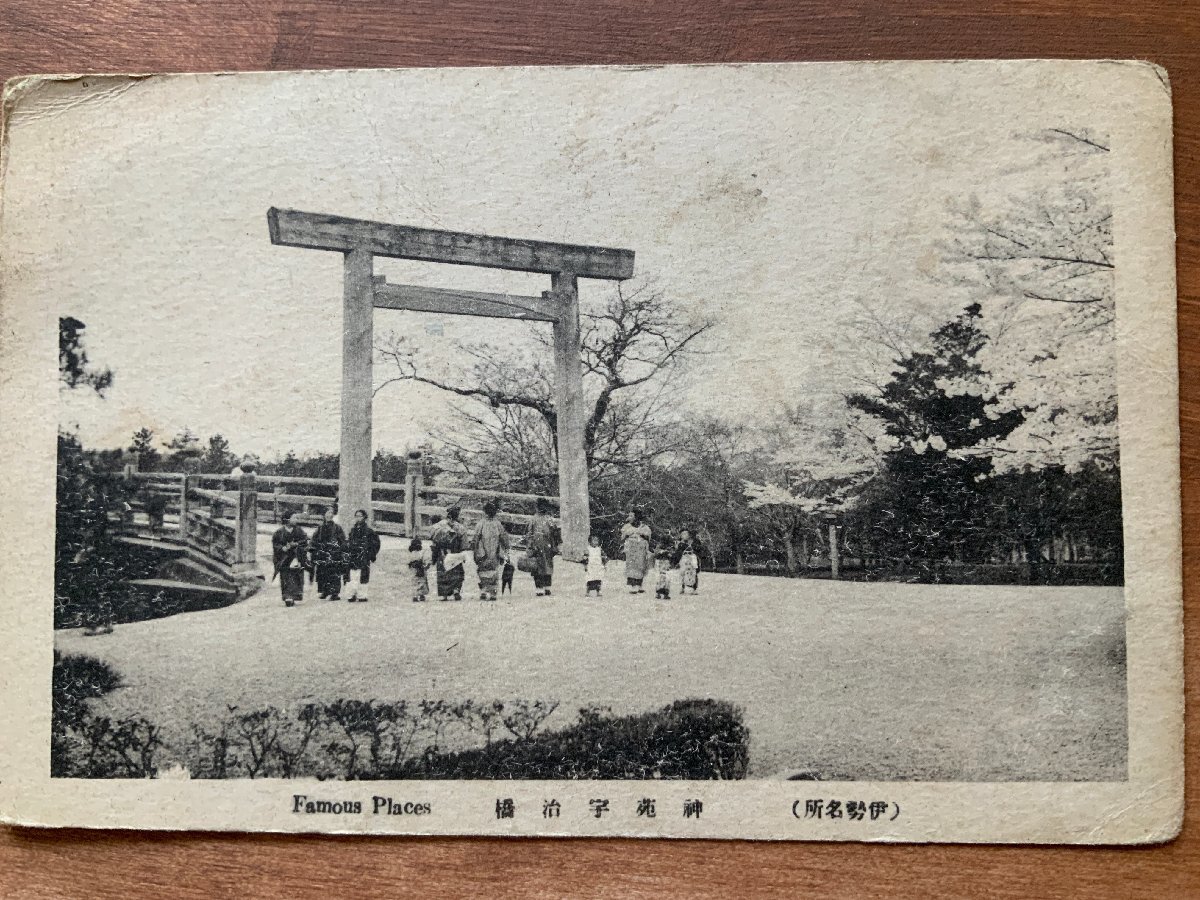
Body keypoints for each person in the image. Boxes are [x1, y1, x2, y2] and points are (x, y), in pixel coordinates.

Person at [470, 500, 511, 601]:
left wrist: (474, 548)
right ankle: (493, 592)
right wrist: (506, 547)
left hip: (482, 551)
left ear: (485, 512)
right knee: (493, 571)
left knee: (482, 570)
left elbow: (475, 538)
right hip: (494, 551)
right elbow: (504, 537)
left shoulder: (481, 524)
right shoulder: (498, 524)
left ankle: (484, 590)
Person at [430, 505, 468, 601]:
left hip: (442, 552)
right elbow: (464, 544)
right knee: (457, 573)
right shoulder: (461, 528)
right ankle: (456, 590)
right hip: (455, 552)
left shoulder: (438, 525)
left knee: (443, 573)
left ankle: (444, 595)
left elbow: (433, 538)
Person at [271, 512, 309, 608]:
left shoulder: (299, 530)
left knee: (297, 576)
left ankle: (296, 595)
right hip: (284, 558)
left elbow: (304, 540)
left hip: (296, 556)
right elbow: (275, 544)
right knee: (285, 576)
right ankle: (287, 596)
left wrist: (296, 544)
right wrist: (282, 548)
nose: (296, 520)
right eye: (294, 518)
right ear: (287, 520)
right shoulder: (279, 532)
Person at [310, 506, 347, 600]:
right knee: (323, 572)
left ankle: (335, 593)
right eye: (327, 513)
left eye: (331, 513)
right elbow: (314, 540)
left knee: (334, 573)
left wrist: (339, 549)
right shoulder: (320, 528)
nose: (329, 515)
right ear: (324, 515)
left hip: (334, 553)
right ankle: (325, 591)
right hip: (323, 553)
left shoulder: (337, 528)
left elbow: (342, 541)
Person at [345, 509, 381, 603]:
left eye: (360, 516)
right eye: (356, 516)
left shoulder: (369, 531)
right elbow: (348, 542)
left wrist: (371, 554)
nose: (358, 518)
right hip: (353, 556)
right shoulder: (352, 530)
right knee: (352, 575)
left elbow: (376, 543)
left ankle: (362, 595)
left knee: (363, 575)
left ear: (364, 517)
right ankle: (351, 594)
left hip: (363, 556)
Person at [526, 497, 560, 597]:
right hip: (536, 548)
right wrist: (530, 546)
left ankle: (547, 587)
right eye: (540, 506)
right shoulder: (533, 519)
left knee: (548, 567)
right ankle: (539, 588)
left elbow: (555, 532)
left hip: (548, 547)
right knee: (537, 568)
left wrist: (556, 545)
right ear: (537, 507)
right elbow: (529, 534)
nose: (541, 508)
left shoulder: (549, 519)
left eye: (544, 506)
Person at [621, 510, 652, 594]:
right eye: (629, 516)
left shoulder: (644, 527)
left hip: (640, 549)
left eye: (632, 516)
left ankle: (639, 584)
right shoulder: (627, 527)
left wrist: (641, 534)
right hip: (631, 550)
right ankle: (633, 584)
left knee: (641, 566)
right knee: (631, 566)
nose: (629, 518)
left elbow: (648, 537)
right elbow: (623, 537)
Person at [672, 528, 703, 595]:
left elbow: (699, 550)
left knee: (693, 573)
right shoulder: (679, 543)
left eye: (686, 534)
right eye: (683, 534)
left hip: (692, 558)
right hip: (684, 559)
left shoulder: (694, 542)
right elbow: (678, 553)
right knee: (683, 572)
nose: (685, 535)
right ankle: (682, 587)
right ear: (680, 535)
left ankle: (694, 588)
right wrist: (676, 561)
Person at [407, 537, 431, 602]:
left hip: (413, 569)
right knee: (422, 582)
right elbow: (426, 560)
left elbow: (408, 562)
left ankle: (415, 596)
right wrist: (426, 566)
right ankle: (421, 595)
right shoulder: (421, 552)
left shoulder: (411, 553)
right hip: (421, 568)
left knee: (414, 582)